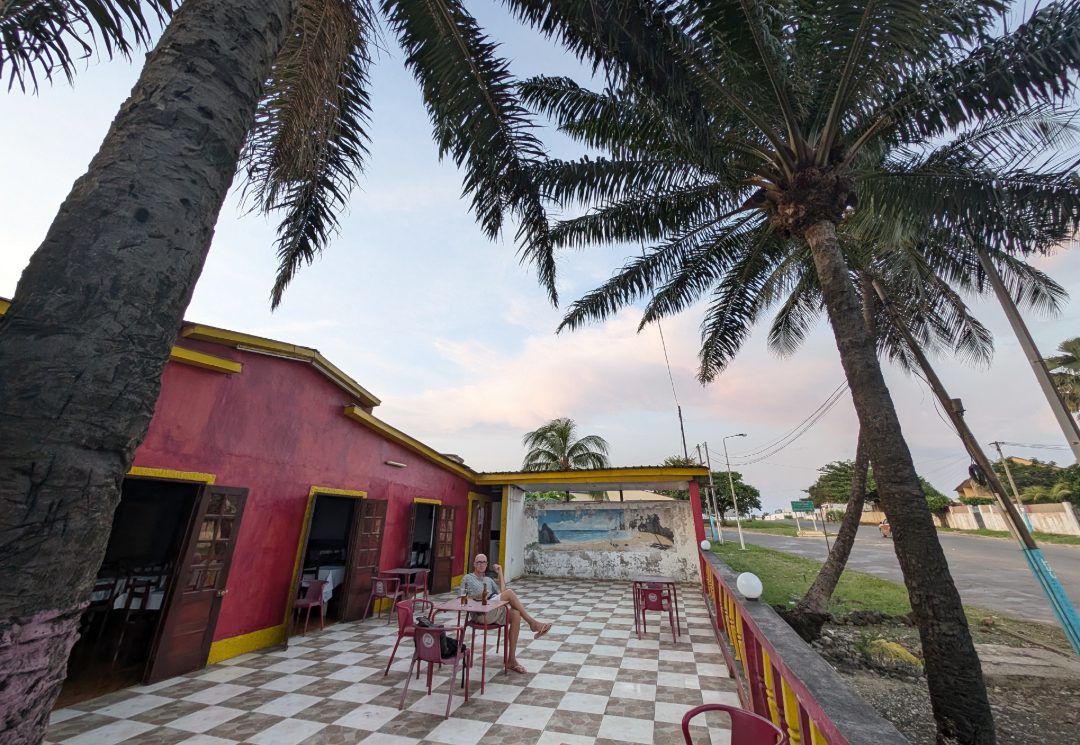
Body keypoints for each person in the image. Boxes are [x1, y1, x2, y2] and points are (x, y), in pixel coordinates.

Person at [458, 553, 551, 673]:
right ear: (474, 564)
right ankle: (532, 623)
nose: (481, 565)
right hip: (481, 613)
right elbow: (461, 597)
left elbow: (503, 593)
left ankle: (511, 660)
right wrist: (478, 599)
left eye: (484, 562)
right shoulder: (468, 578)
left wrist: (500, 572)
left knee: (516, 614)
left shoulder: (489, 580)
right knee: (510, 593)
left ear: (487, 565)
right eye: (478, 562)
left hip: (494, 609)